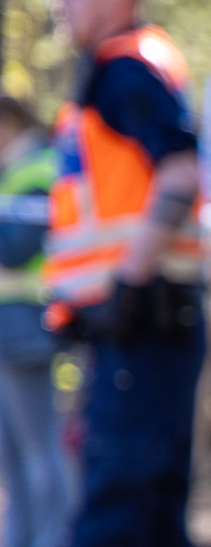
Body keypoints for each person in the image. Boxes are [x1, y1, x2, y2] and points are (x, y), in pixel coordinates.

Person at [42, 0, 206, 547]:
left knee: (117, 509)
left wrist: (126, 286)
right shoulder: (136, 65)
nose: (63, 0)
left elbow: (182, 169)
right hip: (148, 320)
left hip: (145, 320)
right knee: (153, 509)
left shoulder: (125, 71)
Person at [0, 97, 71, 547]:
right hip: (10, 327)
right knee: (15, 459)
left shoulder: (39, 168)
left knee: (41, 452)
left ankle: (53, 538)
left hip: (27, 327)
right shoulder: (14, 171)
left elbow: (15, 248)